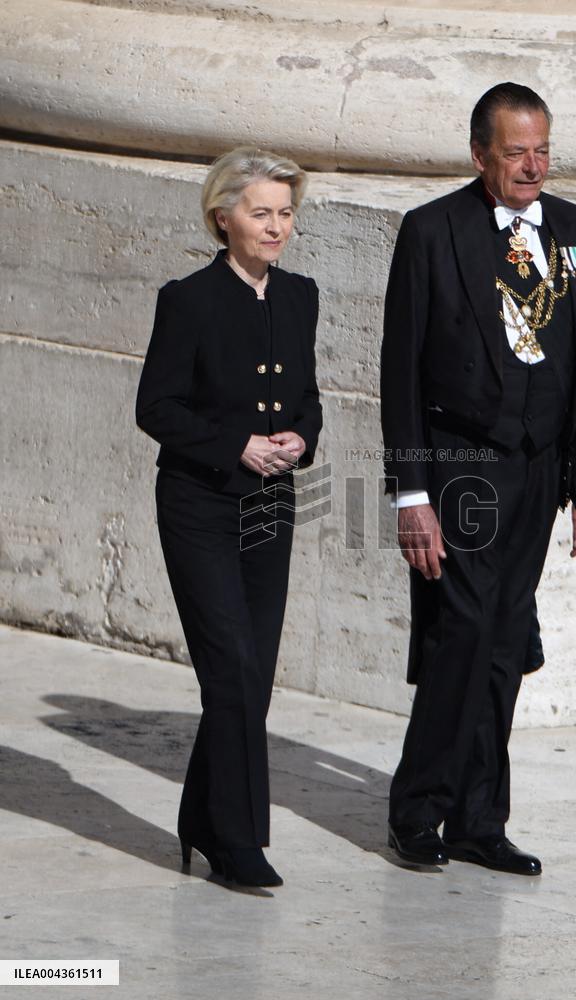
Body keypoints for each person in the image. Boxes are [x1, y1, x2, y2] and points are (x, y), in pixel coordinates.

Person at [381, 83, 576, 875]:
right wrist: (410, 491)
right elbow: (400, 371)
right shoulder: (432, 231)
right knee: (464, 630)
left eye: (542, 149)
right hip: (463, 464)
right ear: (480, 154)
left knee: (506, 637)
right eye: (516, 152)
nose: (532, 165)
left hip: (540, 469)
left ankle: (480, 820)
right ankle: (420, 808)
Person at [136, 147, 321, 888]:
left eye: (285, 213)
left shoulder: (302, 295)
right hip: (199, 506)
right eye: (261, 212)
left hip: (272, 504)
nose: (276, 226)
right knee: (233, 670)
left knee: (255, 675)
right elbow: (156, 408)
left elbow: (307, 396)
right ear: (224, 218)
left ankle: (200, 817)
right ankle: (239, 840)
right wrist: (234, 446)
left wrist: (302, 438)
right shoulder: (188, 299)